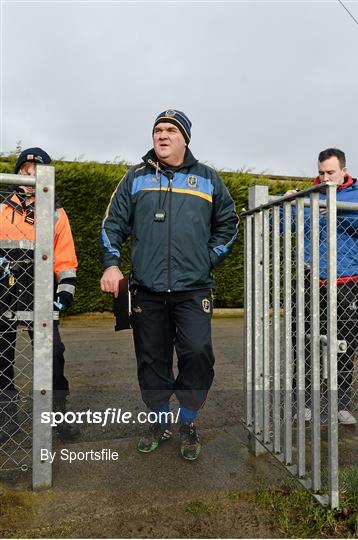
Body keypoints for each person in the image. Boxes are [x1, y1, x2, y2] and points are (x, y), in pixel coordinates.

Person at [100, 109, 238, 460]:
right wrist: (112, 265)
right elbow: (112, 225)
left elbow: (229, 224)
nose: (162, 136)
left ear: (185, 138)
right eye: (157, 130)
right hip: (147, 291)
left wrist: (208, 258)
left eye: (170, 131)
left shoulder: (208, 179)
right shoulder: (135, 178)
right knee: (152, 360)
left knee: (197, 353)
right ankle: (160, 421)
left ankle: (188, 420)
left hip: (193, 290)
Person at [0, 147, 80, 443]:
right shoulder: (2, 208)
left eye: (36, 170)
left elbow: (66, 260)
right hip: (3, 292)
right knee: (1, 357)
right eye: (24, 170)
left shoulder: (57, 213)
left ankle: (58, 414)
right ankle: (7, 415)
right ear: (17, 173)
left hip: (40, 291)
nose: (29, 175)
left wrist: (64, 293)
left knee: (53, 354)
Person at [287, 148, 358, 425]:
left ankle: (340, 404)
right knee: (306, 343)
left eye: (330, 172)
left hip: (345, 283)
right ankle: (307, 404)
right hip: (311, 281)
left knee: (342, 346)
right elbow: (281, 225)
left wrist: (335, 210)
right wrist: (285, 205)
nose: (325, 177)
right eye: (321, 172)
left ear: (344, 170)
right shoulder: (309, 196)